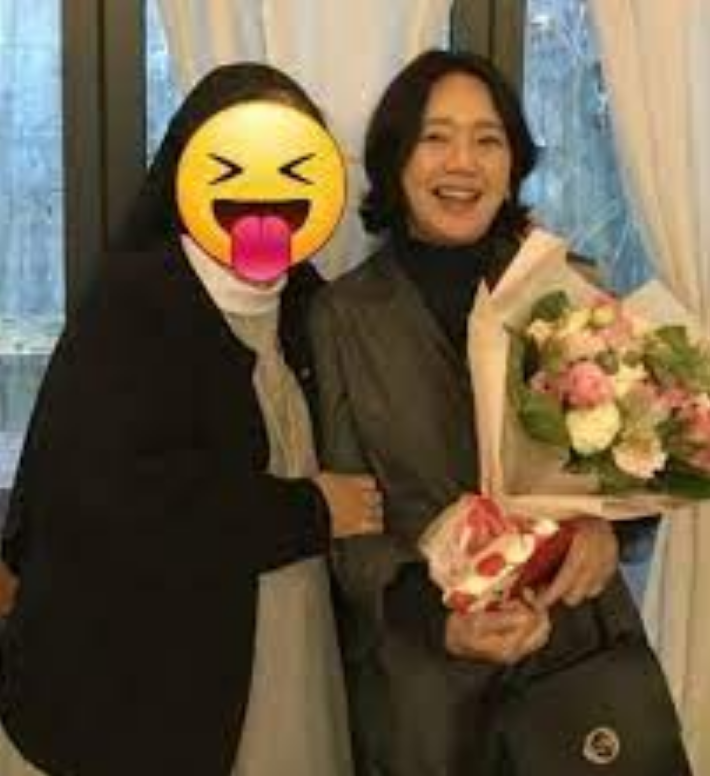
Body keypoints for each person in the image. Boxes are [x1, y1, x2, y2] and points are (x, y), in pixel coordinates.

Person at [0, 63, 382, 776]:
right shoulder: (136, 302)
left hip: (284, 638)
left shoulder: (306, 299)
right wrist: (312, 509)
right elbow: (116, 504)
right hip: (147, 677)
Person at [309, 49, 654, 776]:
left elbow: (637, 459)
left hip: (573, 658)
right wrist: (440, 621)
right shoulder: (341, 316)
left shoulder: (569, 288)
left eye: (487, 139)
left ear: (513, 163)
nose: (462, 162)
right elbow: (349, 528)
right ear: (395, 160)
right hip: (427, 683)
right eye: (435, 137)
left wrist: (608, 528)